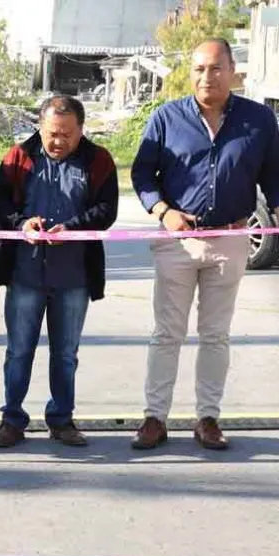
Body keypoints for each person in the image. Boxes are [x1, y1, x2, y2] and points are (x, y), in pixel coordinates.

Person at [130, 38, 279, 451]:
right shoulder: (166, 118)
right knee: (167, 333)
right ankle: (154, 418)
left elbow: (273, 175)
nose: (206, 76)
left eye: (215, 68)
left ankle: (208, 418)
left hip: (230, 240)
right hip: (177, 242)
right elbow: (143, 174)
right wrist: (164, 212)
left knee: (216, 334)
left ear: (233, 71)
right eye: (198, 69)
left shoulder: (260, 120)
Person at [0, 95, 118, 449]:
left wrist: (72, 227)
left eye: (67, 134)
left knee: (65, 353)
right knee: (18, 351)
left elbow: (107, 210)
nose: (58, 141)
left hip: (74, 276)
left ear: (81, 130)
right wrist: (20, 223)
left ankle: (61, 419)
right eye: (51, 133)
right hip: (25, 274)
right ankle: (12, 419)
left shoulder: (99, 160)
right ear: (40, 128)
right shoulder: (18, 157)